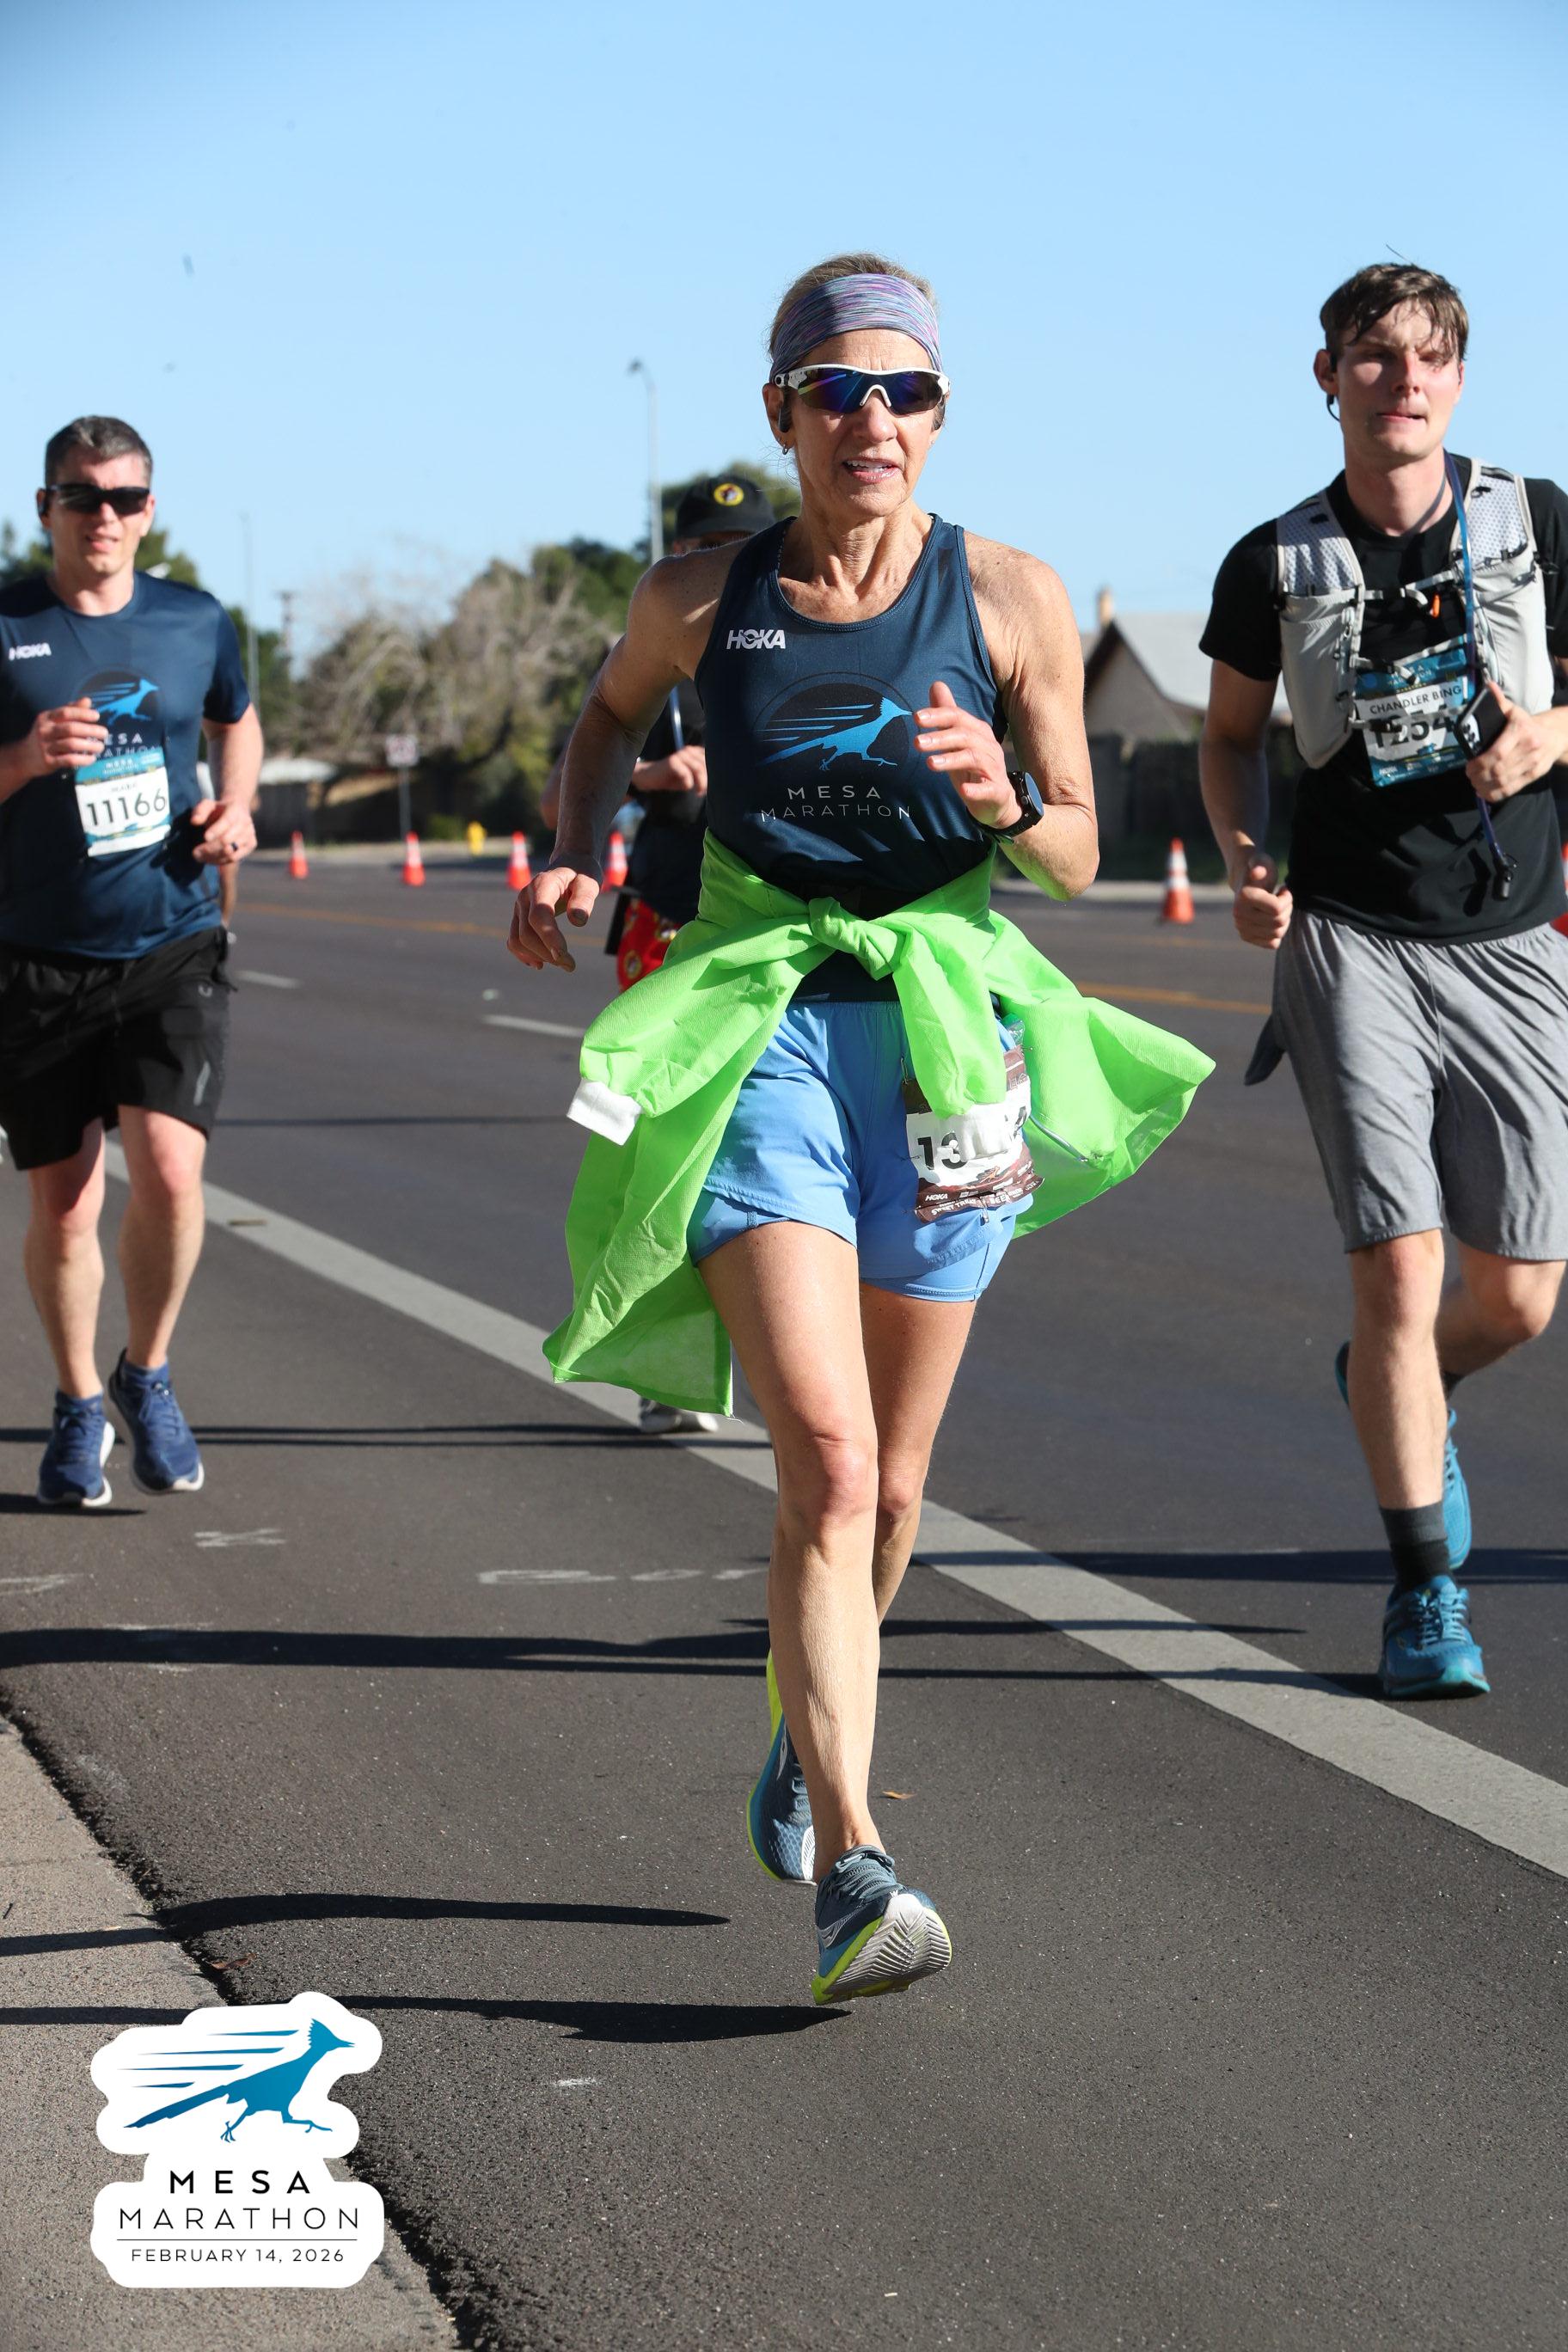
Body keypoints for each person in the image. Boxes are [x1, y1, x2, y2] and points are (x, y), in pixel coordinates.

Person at [511, 254, 1210, 2003]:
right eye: (838, 390)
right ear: (783, 412)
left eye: (905, 392)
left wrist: (1009, 801)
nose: (871, 420)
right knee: (822, 1465)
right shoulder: (701, 595)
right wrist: (572, 855)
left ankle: (798, 1717)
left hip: (942, 1049)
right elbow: (602, 724)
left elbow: (1077, 855)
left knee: (895, 1486)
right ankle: (851, 1860)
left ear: (940, 417)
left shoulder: (1013, 594)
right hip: (761, 1033)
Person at [1199, 263, 1568, 1700]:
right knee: (1398, 1270)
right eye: (1371, 355)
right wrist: (1244, 860)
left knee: (1516, 1296)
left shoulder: (1535, 523)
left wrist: (1548, 735)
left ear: (1457, 380)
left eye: (1426, 357)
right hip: (1347, 935)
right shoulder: (1271, 562)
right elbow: (1229, 739)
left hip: (1509, 937)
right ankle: (1425, 1593)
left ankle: (1392, 1381)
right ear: (1328, 378)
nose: (1400, 379)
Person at [0, 415, 261, 1507]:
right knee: (64, 1205)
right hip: (36, 954)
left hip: (172, 936)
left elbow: (236, 720)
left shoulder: (195, 620)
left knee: (169, 1171)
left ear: (149, 512)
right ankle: (75, 1404)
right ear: (46, 508)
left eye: (125, 498)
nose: (103, 516)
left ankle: (144, 1374)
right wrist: (23, 757)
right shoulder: (8, 623)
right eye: (82, 497)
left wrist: (236, 806)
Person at [542, 475, 778, 1437]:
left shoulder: (798, 641)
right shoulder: (648, 651)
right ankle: (669, 1366)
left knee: (760, 1146)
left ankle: (795, 1369)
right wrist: (652, 773)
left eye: (736, 545)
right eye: (697, 549)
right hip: (665, 924)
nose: (714, 564)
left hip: (772, 935)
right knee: (669, 1148)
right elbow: (568, 779)